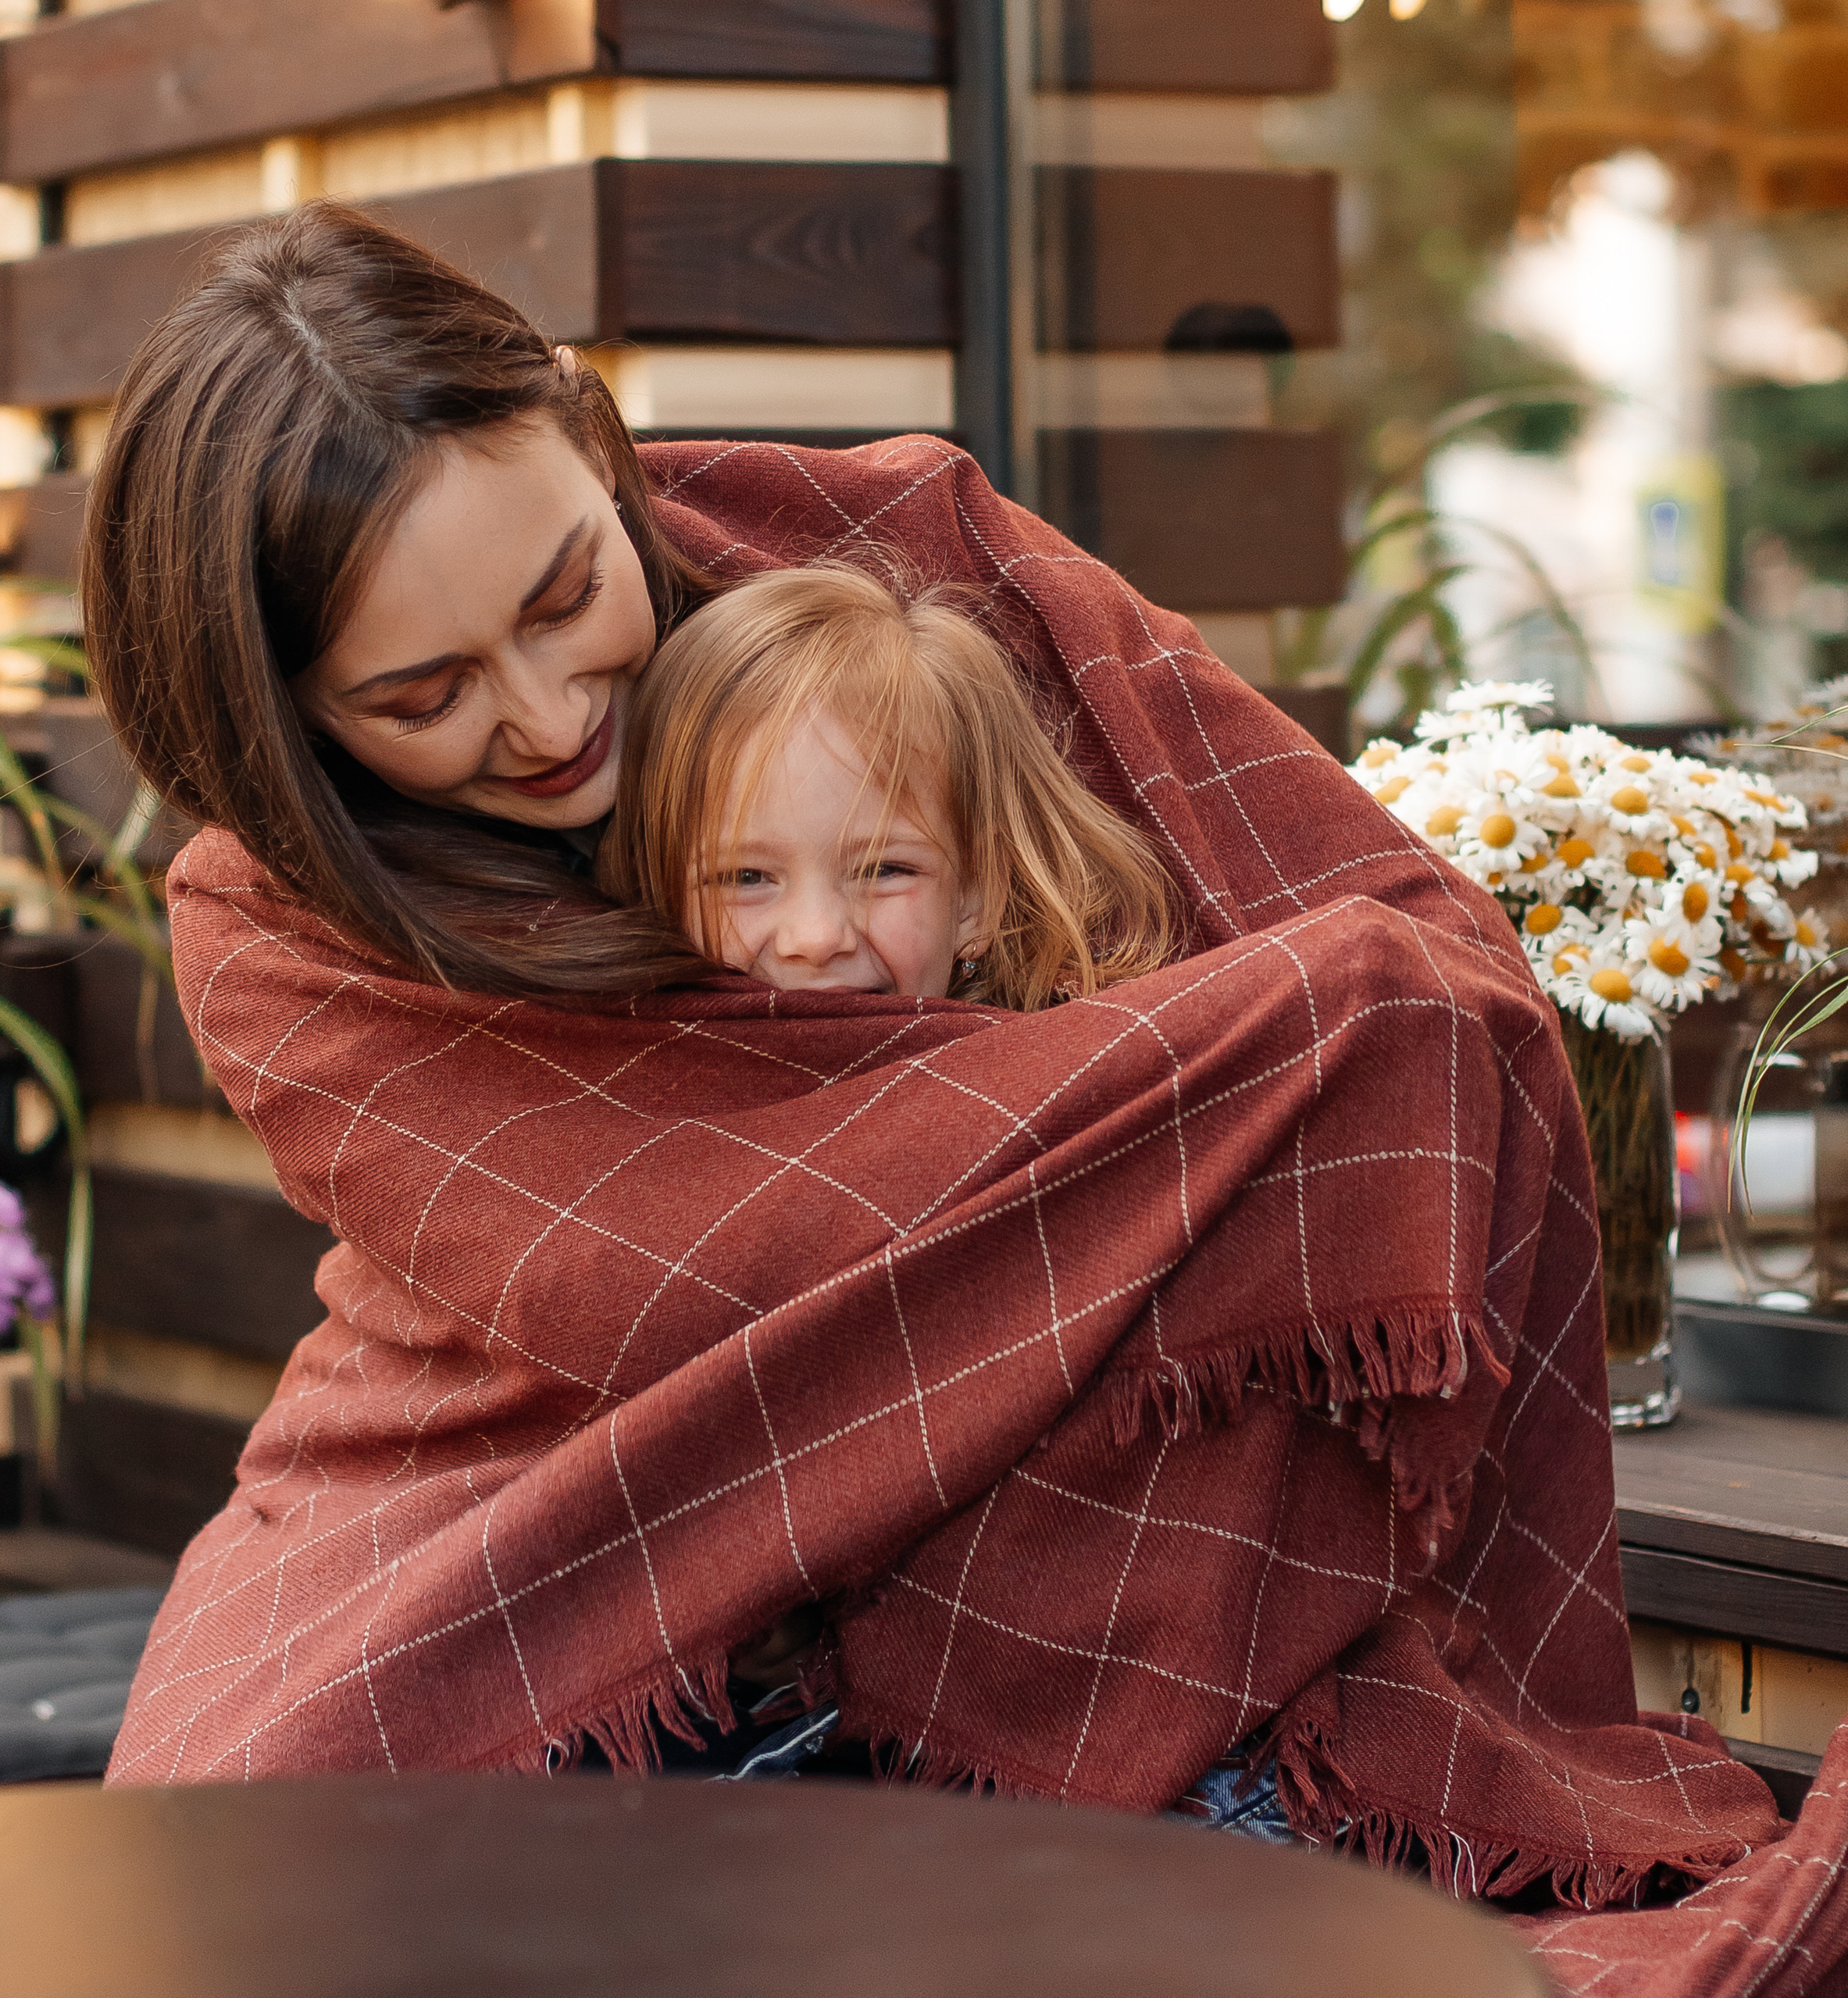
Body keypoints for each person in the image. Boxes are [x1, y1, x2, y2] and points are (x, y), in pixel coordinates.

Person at [88, 204, 1788, 1945]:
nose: (543, 716)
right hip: (486, 1503)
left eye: (565, 594)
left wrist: (1215, 1071)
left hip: (1035, 1540)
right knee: (268, 1901)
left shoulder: (910, 555)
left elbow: (1416, 964)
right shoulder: (273, 922)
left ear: (589, 438)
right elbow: (677, 1266)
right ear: (285, 721)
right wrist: (1175, 1094)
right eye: (423, 694)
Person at [598, 561, 1174, 1011]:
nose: (817, 938)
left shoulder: (1068, 1076)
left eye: (882, 869)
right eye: (744, 877)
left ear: (978, 896)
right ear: (658, 895)